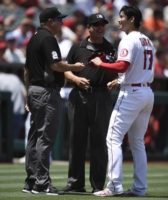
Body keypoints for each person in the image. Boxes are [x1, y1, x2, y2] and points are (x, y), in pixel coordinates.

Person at [90, 6, 155, 197]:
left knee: (113, 138)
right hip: (146, 92)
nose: (118, 20)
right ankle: (140, 188)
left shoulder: (128, 39)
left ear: (132, 19)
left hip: (132, 94)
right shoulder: (147, 40)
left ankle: (114, 185)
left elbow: (123, 65)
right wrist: (119, 81)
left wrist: (100, 64)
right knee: (137, 142)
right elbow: (135, 68)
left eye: (122, 17)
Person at [22, 7, 85, 195]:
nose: (61, 22)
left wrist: (29, 93)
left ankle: (31, 182)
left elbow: (26, 71)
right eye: (59, 19)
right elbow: (56, 65)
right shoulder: (48, 38)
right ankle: (42, 183)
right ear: (50, 21)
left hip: (34, 89)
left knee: (34, 137)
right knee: (45, 138)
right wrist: (75, 66)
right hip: (47, 92)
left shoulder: (34, 38)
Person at [61, 13, 118, 193]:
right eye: (96, 24)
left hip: (102, 96)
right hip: (79, 94)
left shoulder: (111, 48)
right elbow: (66, 71)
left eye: (103, 24)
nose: (100, 27)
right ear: (89, 27)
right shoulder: (78, 46)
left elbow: (119, 72)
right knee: (76, 140)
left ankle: (97, 185)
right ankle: (75, 183)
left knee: (99, 141)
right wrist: (76, 80)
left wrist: (116, 81)